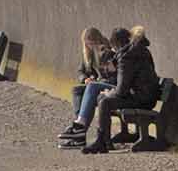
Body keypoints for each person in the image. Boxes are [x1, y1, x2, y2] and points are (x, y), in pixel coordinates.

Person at [84, 26, 156, 154]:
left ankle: (102, 142)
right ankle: (105, 141)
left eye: (114, 47)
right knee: (104, 99)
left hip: (142, 99)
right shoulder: (140, 50)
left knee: (105, 101)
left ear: (116, 44)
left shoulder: (126, 57)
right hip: (148, 96)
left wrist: (109, 93)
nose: (114, 50)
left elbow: (121, 90)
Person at [57, 27, 115, 146]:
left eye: (91, 43)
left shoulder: (107, 51)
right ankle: (80, 129)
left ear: (96, 40)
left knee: (92, 87)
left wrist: (98, 79)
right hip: (98, 84)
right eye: (87, 44)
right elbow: (80, 71)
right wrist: (85, 78)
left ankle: (79, 128)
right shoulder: (88, 53)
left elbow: (112, 74)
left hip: (109, 84)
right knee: (77, 90)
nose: (89, 46)